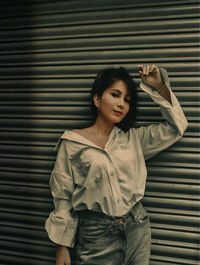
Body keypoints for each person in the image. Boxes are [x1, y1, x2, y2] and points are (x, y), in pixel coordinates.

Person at [45, 64, 188, 265]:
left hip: (137, 228)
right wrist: (62, 247)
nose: (121, 103)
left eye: (127, 100)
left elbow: (177, 127)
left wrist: (159, 87)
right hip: (96, 238)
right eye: (115, 95)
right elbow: (62, 198)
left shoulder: (133, 140)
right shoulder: (72, 143)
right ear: (97, 99)